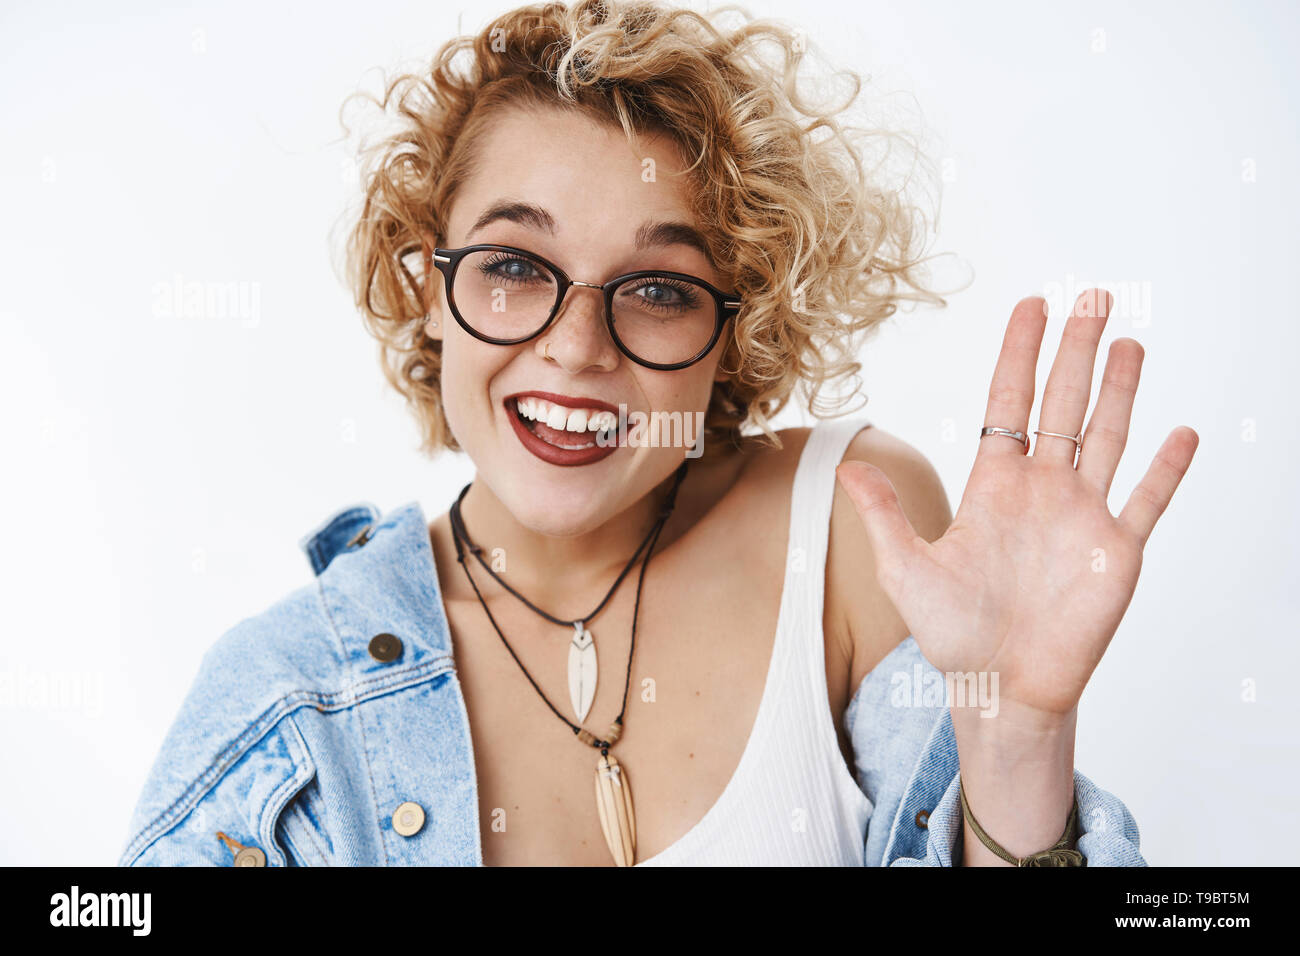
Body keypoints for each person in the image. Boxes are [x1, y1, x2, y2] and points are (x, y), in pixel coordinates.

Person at [118, 0, 1196, 867]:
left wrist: (1015, 735)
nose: (578, 346)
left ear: (739, 329)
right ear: (428, 286)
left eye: (657, 288)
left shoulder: (854, 526)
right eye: (512, 267)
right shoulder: (287, 710)